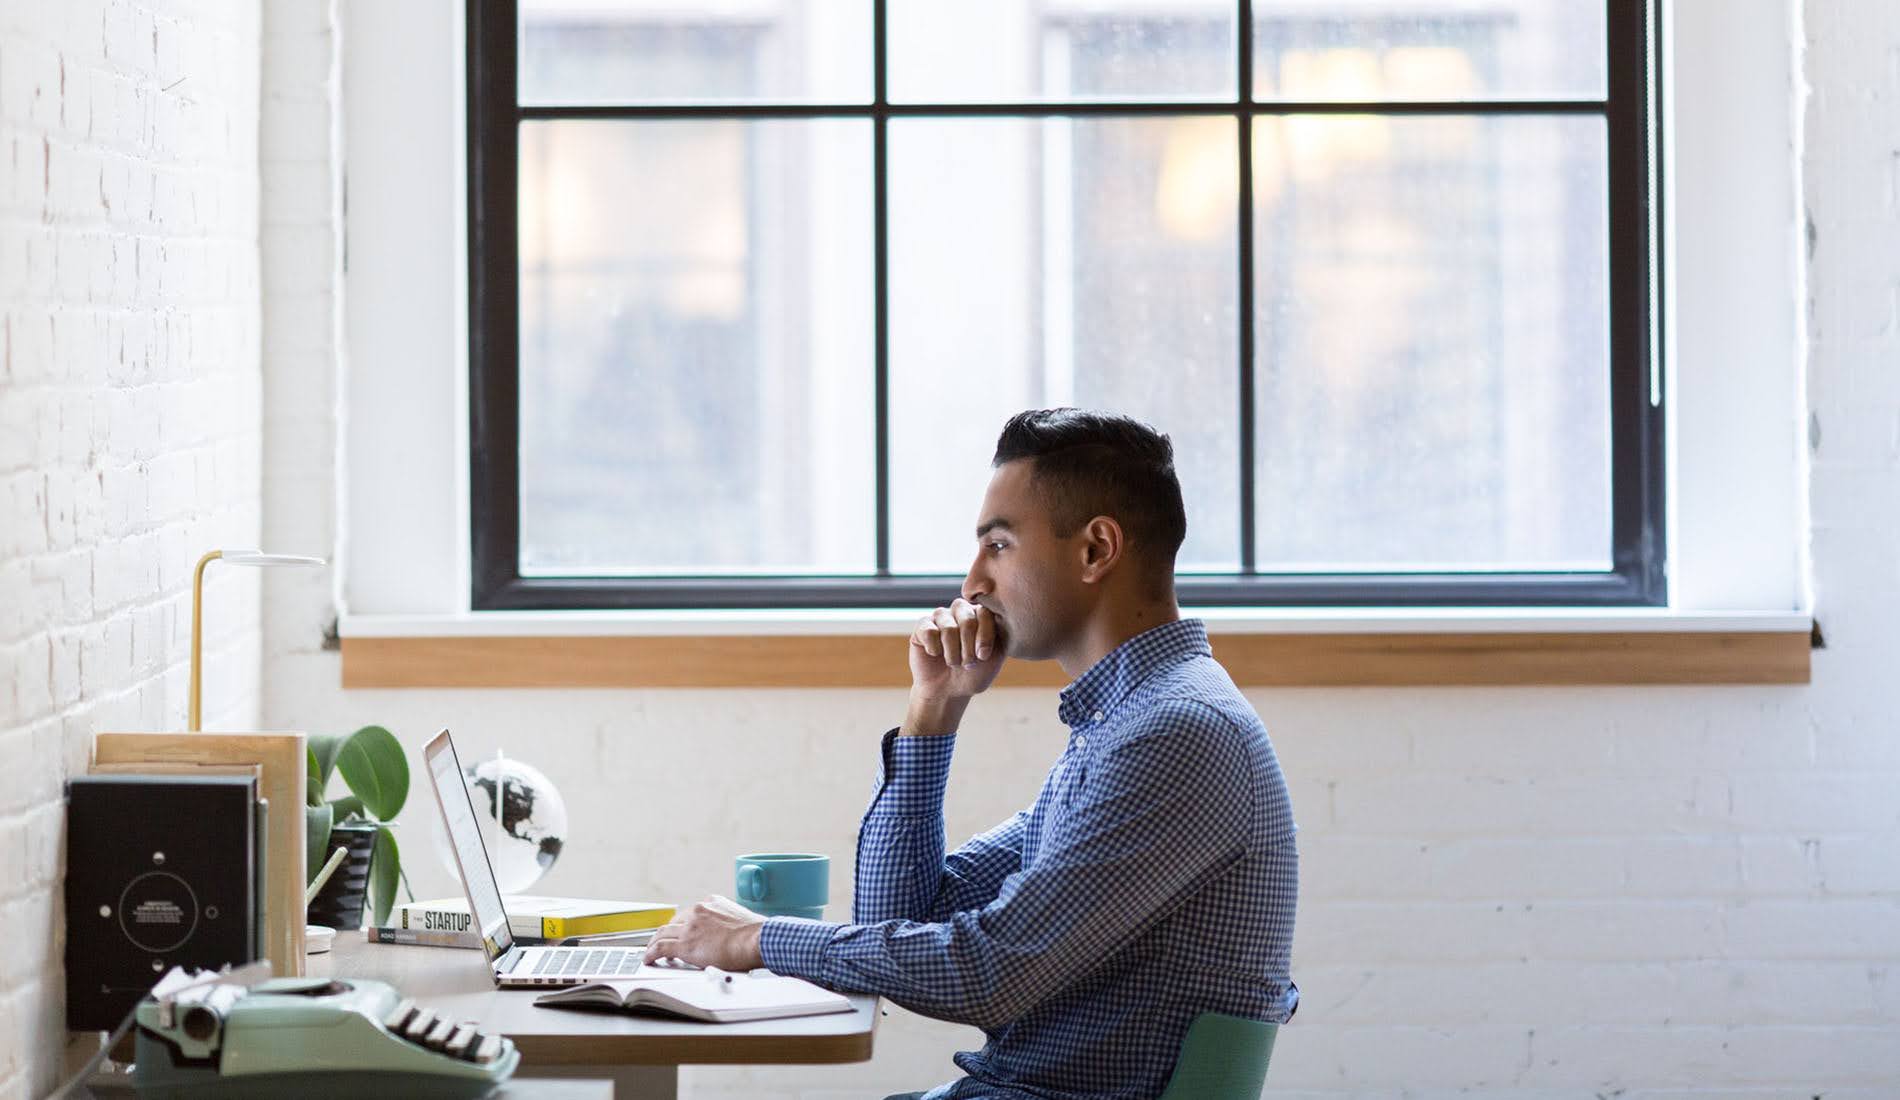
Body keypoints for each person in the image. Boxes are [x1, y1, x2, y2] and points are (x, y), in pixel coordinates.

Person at [644, 408, 1298, 1099]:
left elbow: (989, 975)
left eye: (1000, 545)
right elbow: (898, 920)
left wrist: (757, 939)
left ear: (1096, 550)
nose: (972, 584)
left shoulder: (1175, 734)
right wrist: (934, 709)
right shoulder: (1120, 727)